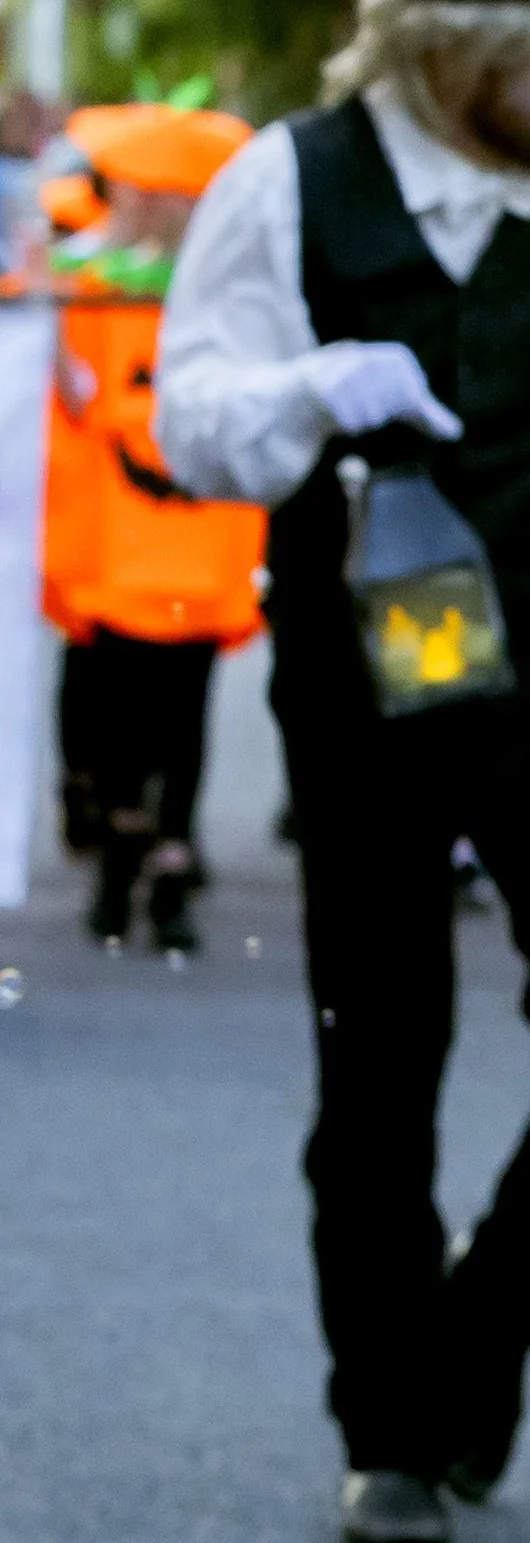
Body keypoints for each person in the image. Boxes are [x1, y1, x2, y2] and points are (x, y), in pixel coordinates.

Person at [157, 0, 530, 1543]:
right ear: (451, 49)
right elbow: (193, 416)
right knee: (382, 1053)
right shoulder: (285, 178)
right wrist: (316, 389)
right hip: (361, 652)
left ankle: (466, 1343)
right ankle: (386, 1436)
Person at [42, 102, 263, 951]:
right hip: (138, 546)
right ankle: (145, 849)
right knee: (155, 703)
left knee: (167, 702)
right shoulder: (94, 283)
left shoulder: (225, 297)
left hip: (191, 542)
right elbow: (72, 392)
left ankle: (157, 851)